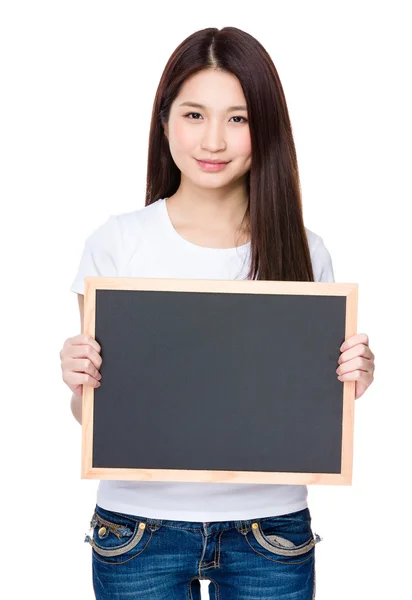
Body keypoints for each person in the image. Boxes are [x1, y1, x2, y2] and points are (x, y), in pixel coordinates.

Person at [60, 26, 375, 600]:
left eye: (238, 118)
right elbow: (95, 417)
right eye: (194, 114)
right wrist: (79, 380)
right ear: (164, 122)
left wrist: (352, 381)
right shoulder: (118, 243)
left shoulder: (305, 249)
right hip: (137, 527)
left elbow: (308, 411)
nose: (213, 140)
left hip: (270, 529)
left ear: (266, 129)